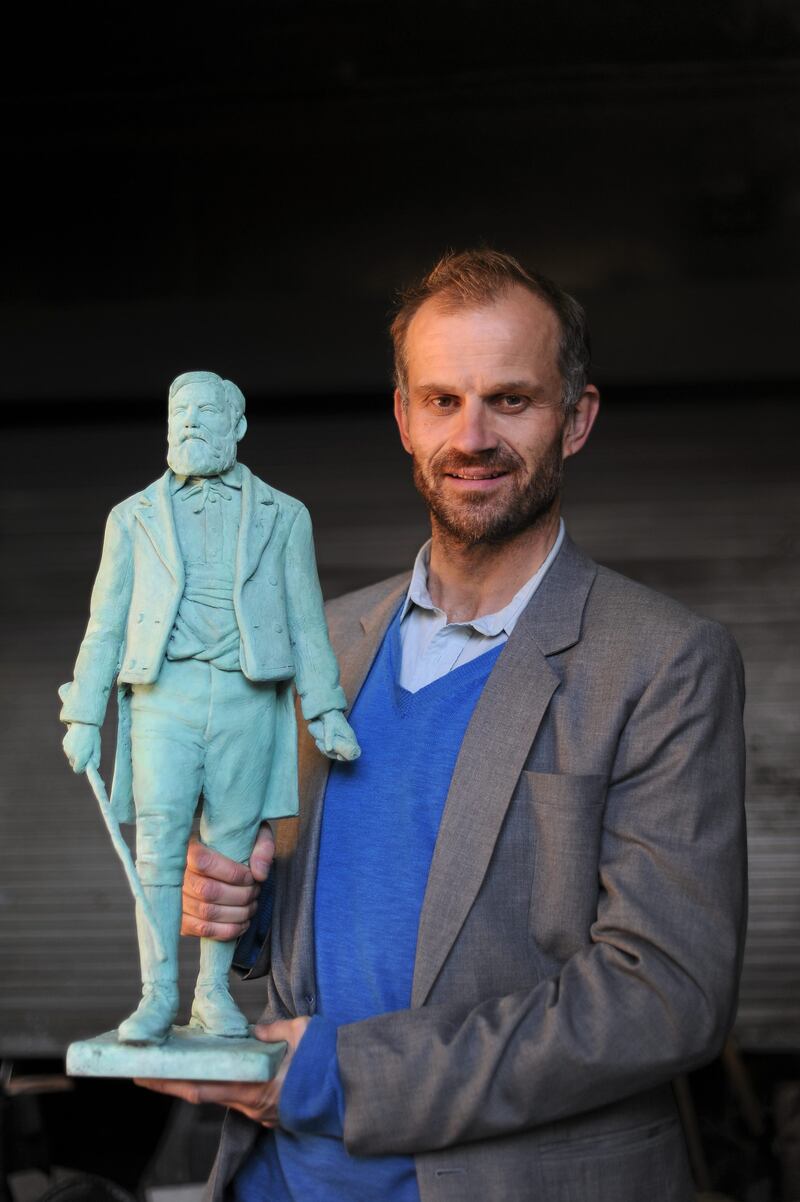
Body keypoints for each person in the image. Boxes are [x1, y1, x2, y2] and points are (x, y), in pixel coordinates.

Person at [139, 252, 747, 1202]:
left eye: (511, 400)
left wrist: (340, 1076)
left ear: (576, 419)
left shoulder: (663, 662)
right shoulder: (324, 641)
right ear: (402, 417)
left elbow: (665, 996)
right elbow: (311, 914)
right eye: (441, 400)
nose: (472, 436)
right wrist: (234, 906)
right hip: (278, 1182)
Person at [60, 370, 359, 1046]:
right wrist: (84, 714)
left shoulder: (285, 515)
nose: (190, 424)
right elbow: (103, 623)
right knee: (158, 851)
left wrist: (325, 712)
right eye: (180, 413)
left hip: (248, 697)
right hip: (162, 697)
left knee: (228, 846)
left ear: (237, 426)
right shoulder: (131, 516)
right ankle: (156, 995)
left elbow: (307, 619)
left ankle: (212, 993)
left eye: (204, 413)